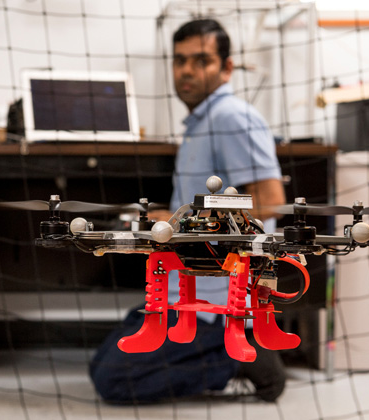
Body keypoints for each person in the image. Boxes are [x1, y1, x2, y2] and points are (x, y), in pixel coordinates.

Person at [89, 18, 287, 404]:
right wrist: (170, 217)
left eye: (201, 60)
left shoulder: (232, 118)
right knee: (100, 366)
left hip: (217, 299)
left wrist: (184, 225)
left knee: (114, 381)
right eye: (179, 60)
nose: (186, 71)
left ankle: (240, 359)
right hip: (183, 288)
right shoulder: (201, 122)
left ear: (227, 68)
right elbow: (207, 206)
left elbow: (269, 201)